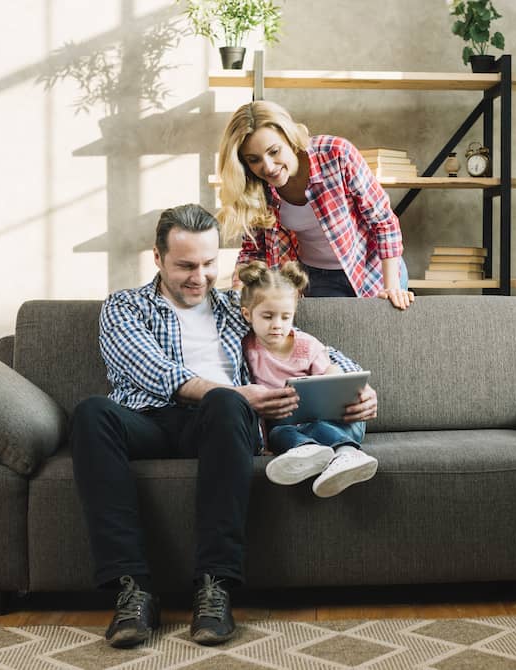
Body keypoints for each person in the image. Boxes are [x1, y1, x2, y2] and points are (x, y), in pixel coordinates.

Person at [69, 204, 379, 649]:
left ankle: (215, 587)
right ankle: (131, 590)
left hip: (220, 426)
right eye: (185, 266)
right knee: (91, 413)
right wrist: (232, 392)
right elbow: (152, 372)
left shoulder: (239, 308)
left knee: (227, 404)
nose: (199, 276)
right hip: (145, 421)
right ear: (157, 258)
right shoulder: (124, 307)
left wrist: (357, 386)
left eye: (209, 264)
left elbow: (301, 346)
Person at [216, 99, 415, 310]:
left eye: (274, 152)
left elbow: (383, 221)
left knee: (381, 338)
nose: (268, 167)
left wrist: (391, 287)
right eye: (254, 159)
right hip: (318, 279)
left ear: (289, 138)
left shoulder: (337, 154)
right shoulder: (255, 188)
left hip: (373, 268)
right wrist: (238, 297)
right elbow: (253, 252)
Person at [238, 260, 378, 497]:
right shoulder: (246, 350)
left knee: (312, 425)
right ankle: (311, 452)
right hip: (288, 427)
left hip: (338, 423)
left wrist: (339, 381)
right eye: (268, 316)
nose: (277, 325)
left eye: (285, 317)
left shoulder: (308, 345)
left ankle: (347, 453)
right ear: (247, 314)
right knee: (278, 433)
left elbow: (331, 376)